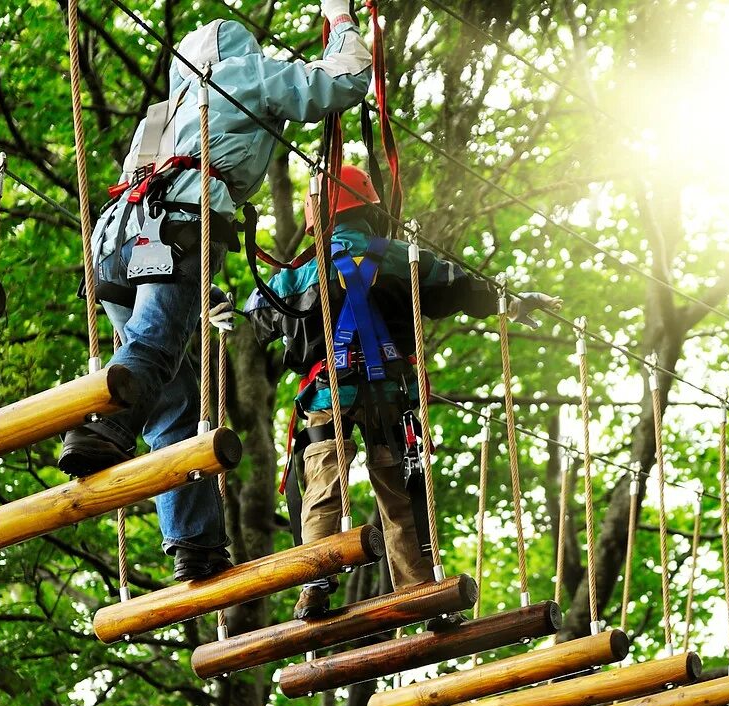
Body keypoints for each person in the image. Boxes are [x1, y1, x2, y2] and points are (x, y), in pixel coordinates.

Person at [57, 4, 371, 583]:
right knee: (155, 345)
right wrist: (341, 19)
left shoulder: (162, 114)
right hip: (177, 223)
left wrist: (204, 289)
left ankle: (194, 544)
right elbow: (345, 81)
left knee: (174, 403)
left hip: (116, 242)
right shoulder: (237, 76)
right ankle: (100, 427)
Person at [217, 166, 561, 623]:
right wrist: (513, 303)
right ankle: (419, 590)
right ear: (372, 210)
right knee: (400, 499)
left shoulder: (295, 277)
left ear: (316, 215)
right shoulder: (406, 258)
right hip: (390, 398)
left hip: (327, 398)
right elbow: (462, 289)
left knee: (323, 487)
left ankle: (316, 578)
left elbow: (254, 318)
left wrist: (222, 310)